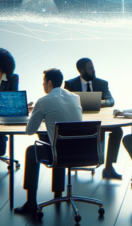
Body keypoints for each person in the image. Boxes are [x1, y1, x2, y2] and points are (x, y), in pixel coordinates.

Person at [14, 69, 82, 215]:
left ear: (49, 83)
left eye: (43, 82)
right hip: (80, 152)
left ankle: (31, 202)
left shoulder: (43, 101)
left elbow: (30, 131)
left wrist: (37, 115)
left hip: (59, 154)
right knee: (56, 142)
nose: (43, 85)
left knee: (32, 151)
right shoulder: (75, 97)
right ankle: (58, 194)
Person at [63, 57, 122, 179]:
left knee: (118, 130)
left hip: (99, 122)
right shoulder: (70, 84)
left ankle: (109, 169)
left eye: (93, 67)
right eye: (90, 68)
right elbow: (65, 103)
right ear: (82, 71)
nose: (94, 70)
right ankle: (74, 159)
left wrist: (93, 102)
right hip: (79, 123)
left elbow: (111, 101)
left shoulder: (102, 83)